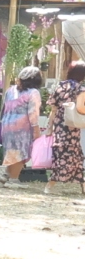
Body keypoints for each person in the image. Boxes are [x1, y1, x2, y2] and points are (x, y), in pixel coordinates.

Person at [0, 67, 42, 182]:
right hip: (23, 127)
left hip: (7, 125)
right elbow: (33, 113)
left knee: (12, 151)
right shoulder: (33, 92)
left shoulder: (10, 90)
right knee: (21, 153)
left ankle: (6, 175)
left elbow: (4, 107)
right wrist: (36, 129)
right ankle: (13, 179)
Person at [49, 61, 85, 195]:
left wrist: (49, 127)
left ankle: (82, 185)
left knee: (65, 154)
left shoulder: (60, 86)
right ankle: (50, 184)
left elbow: (53, 108)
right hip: (72, 127)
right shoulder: (80, 89)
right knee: (73, 155)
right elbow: (80, 107)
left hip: (59, 124)